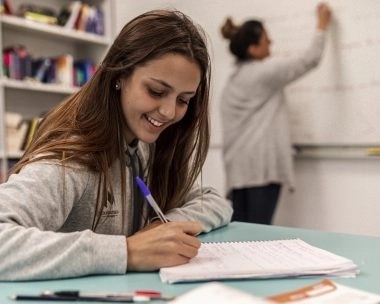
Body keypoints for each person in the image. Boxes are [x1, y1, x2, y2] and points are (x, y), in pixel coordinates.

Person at [0, 10, 233, 281]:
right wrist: (128, 251)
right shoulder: (71, 158)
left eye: (183, 99)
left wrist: (162, 228)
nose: (169, 112)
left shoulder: (141, 145)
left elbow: (214, 201)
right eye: (156, 92)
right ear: (119, 74)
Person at [220, 3, 332, 224]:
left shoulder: (233, 80)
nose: (271, 42)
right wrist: (322, 25)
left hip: (238, 173)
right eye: (266, 39)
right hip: (261, 170)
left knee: (242, 234)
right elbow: (309, 60)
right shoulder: (263, 73)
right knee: (259, 237)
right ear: (253, 49)